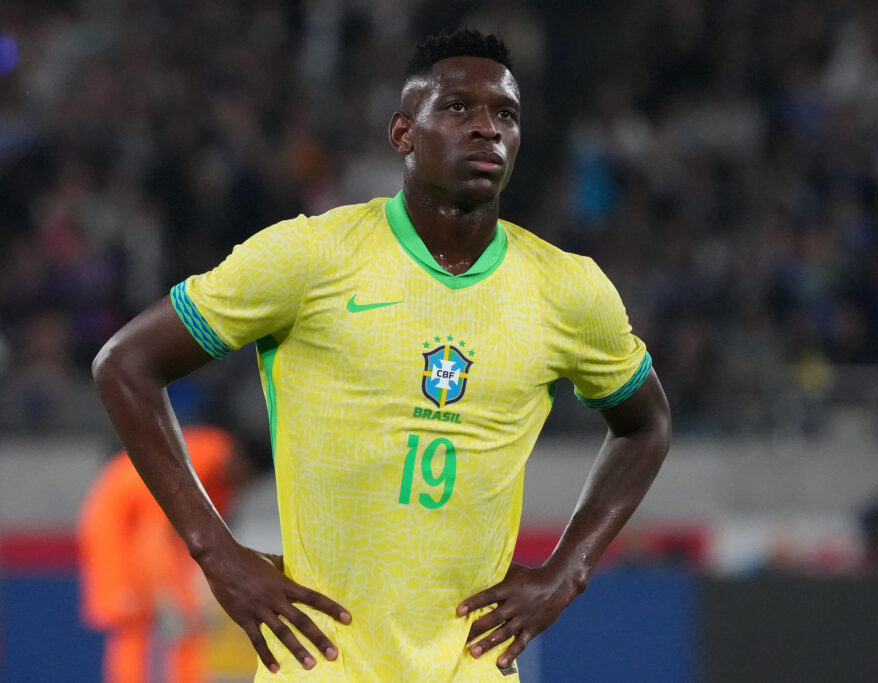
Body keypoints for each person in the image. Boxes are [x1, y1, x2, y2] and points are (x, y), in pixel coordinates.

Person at [92, 28, 671, 681]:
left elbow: (646, 423)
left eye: (504, 114)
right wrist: (216, 553)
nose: (486, 128)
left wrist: (569, 572)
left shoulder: (568, 291)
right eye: (457, 108)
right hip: (323, 666)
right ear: (403, 133)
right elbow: (125, 364)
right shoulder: (311, 257)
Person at [78, 424, 252, 683]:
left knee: (183, 620)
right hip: (123, 541)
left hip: (138, 537)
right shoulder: (203, 459)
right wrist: (167, 596)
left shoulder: (203, 461)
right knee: (142, 624)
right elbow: (154, 537)